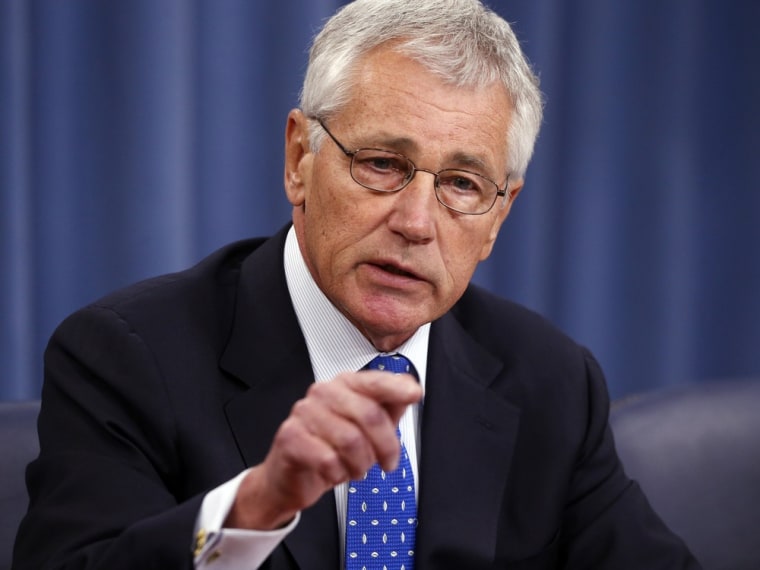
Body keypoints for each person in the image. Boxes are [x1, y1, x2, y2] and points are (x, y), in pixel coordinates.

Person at [13, 0, 701, 568]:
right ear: (298, 160)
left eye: (462, 184)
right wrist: (254, 508)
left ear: (498, 216)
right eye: (380, 163)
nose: (415, 222)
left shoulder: (550, 381)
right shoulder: (129, 355)